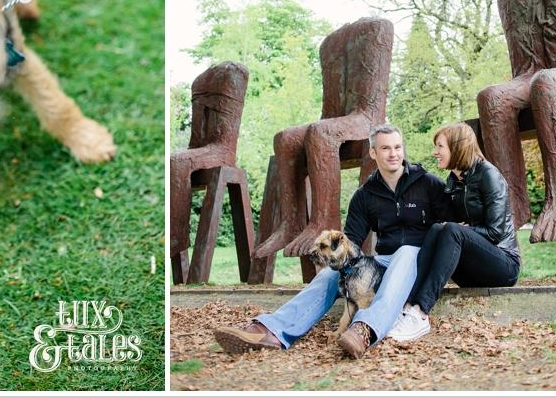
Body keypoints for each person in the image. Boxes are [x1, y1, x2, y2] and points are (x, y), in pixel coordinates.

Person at [214, 124, 447, 359]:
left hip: (418, 262)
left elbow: (452, 232)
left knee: (406, 251)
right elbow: (351, 243)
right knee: (330, 273)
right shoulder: (365, 195)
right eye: (386, 148)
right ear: (373, 153)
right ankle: (273, 330)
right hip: (383, 264)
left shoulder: (428, 183)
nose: (394, 154)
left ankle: (365, 330)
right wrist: (336, 262)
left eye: (397, 147)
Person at [387, 122, 520, 342]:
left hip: (504, 265)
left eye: (440, 146)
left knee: (451, 230)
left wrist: (462, 230)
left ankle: (420, 313)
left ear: (457, 148)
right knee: (438, 228)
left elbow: (496, 233)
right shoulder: (453, 180)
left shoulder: (488, 175)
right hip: (473, 268)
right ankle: (408, 306)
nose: (435, 152)